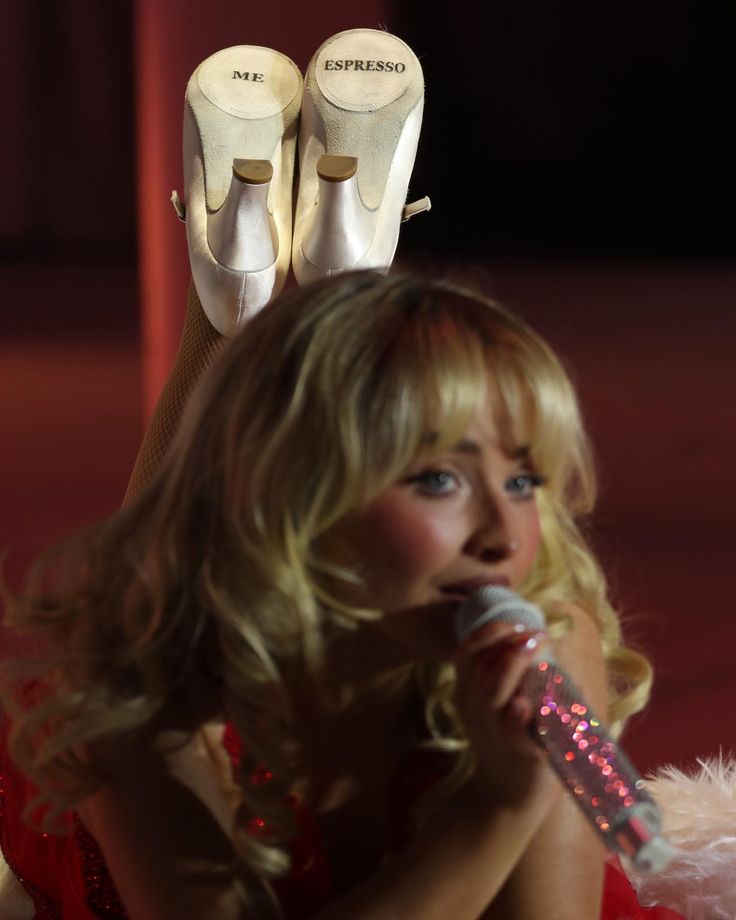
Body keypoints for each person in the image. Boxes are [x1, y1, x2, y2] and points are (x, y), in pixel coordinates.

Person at [0, 270, 686, 919]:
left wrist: (523, 790)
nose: (504, 537)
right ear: (297, 490)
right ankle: (217, 315)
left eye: (522, 481)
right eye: (440, 480)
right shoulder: (148, 680)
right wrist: (496, 810)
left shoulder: (544, 644)